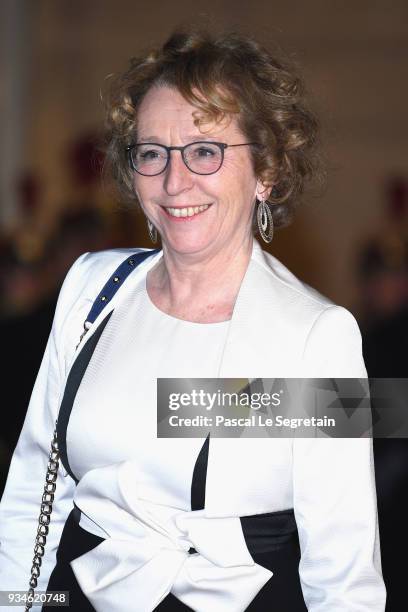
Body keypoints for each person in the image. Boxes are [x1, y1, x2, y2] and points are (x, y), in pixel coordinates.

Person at [0, 29, 386, 611]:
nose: (175, 181)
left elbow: (345, 569)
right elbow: (35, 489)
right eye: (152, 152)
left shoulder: (318, 336)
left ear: (266, 172)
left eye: (205, 150)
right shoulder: (91, 288)